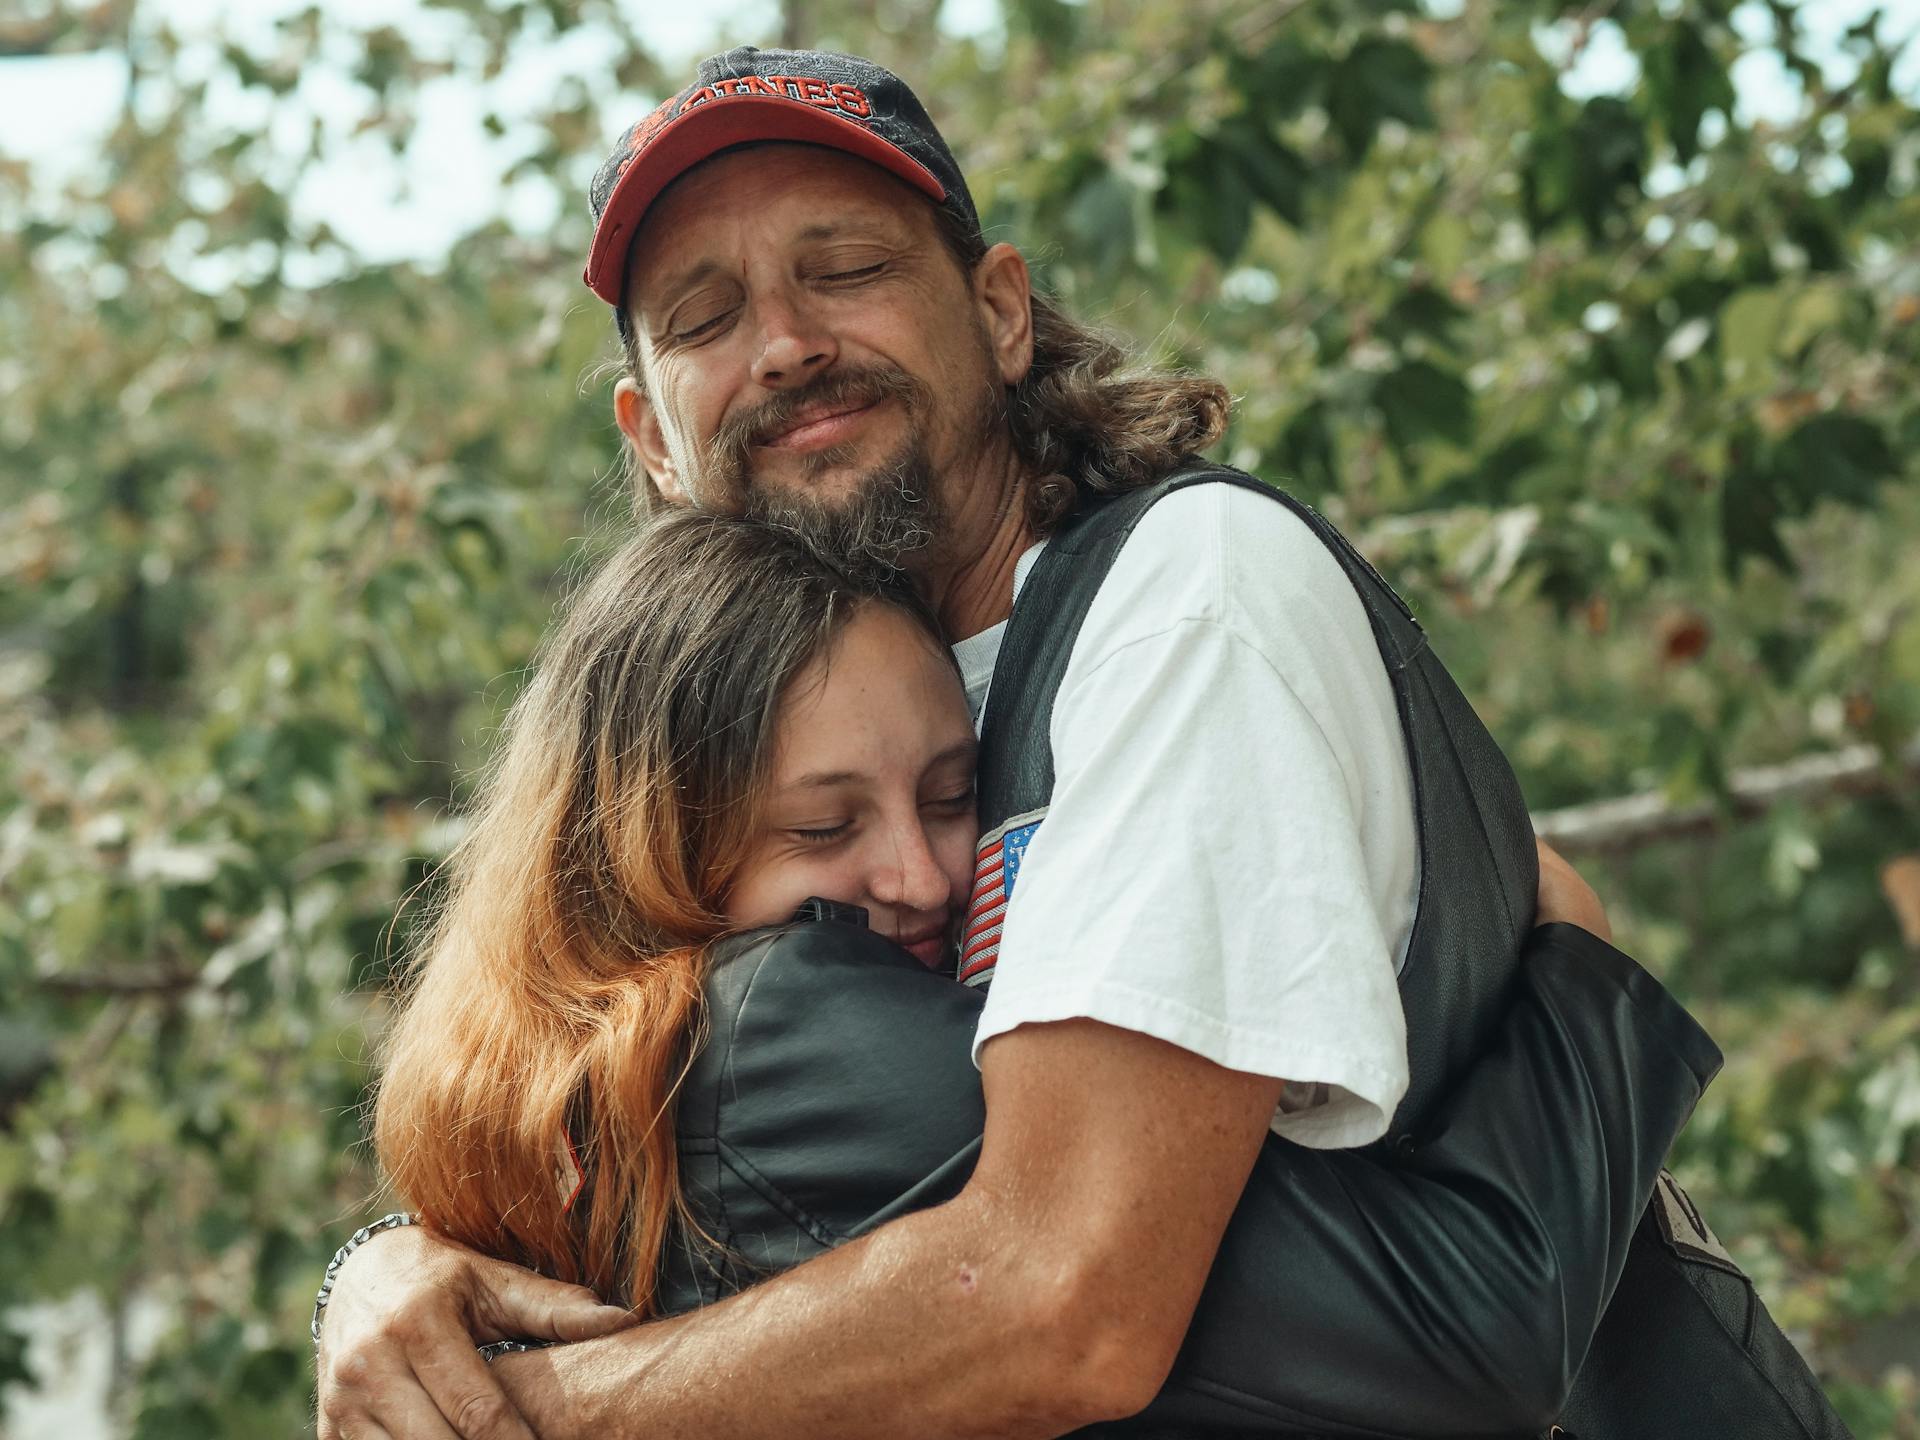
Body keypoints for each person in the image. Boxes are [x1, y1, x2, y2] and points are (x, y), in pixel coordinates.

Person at [315, 46, 1845, 1440]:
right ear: (652, 436)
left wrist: (534, 1413)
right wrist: (399, 1263)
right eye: (705, 320)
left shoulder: (1176, 609)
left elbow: (1066, 1303)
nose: (780, 345)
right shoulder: (816, 735)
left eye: (842, 270)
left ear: (997, 310)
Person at [361, 507, 1703, 1440]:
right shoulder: (773, 1026)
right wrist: (1575, 960)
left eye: (954, 795)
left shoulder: (570, 1086)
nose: (921, 876)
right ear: (644, 849)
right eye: (823, 828)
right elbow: (1468, 1325)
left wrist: (368, 1274)